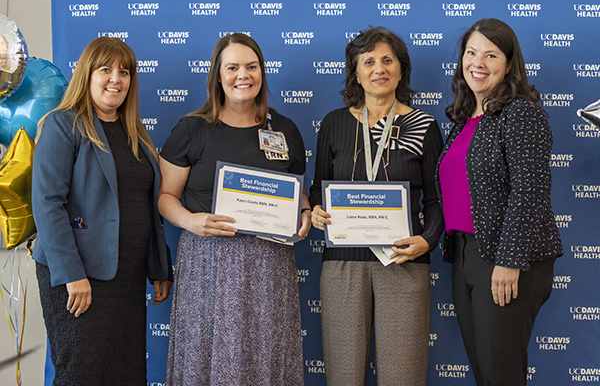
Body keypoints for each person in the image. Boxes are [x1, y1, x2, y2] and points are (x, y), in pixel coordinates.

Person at [159, 33, 310, 386]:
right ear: (218, 75)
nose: (243, 75)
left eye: (251, 66)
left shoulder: (285, 130)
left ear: (262, 72)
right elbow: (166, 196)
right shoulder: (192, 129)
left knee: (266, 356)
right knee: (206, 359)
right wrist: (189, 221)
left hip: (269, 267)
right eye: (233, 67)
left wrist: (304, 215)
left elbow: (300, 195)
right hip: (207, 263)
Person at [32, 37, 172, 385]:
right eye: (106, 69)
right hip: (80, 277)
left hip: (125, 278)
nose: (116, 79)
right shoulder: (63, 125)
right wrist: (72, 275)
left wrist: (159, 265)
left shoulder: (135, 134)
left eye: (124, 72)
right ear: (87, 75)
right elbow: (48, 203)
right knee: (81, 374)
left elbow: (144, 205)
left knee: (125, 374)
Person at [309, 26, 444, 385]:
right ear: (355, 71)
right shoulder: (334, 124)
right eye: (368, 61)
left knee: (403, 374)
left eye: (388, 60)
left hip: (404, 261)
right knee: (343, 375)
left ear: (401, 69)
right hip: (343, 264)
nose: (378, 68)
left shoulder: (424, 125)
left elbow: (436, 199)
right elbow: (317, 188)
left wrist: (427, 240)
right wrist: (317, 210)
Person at [436, 18, 563, 386]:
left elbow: (530, 190)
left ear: (509, 64)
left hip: (507, 258)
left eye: (490, 55)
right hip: (464, 255)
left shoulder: (520, 113)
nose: (478, 62)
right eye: (471, 52)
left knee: (501, 376)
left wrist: (509, 261)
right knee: (486, 373)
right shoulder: (464, 120)